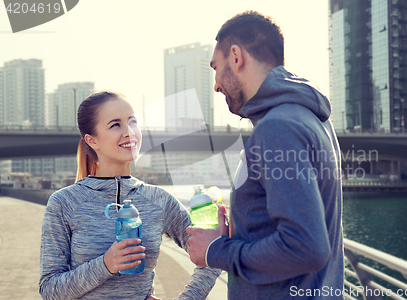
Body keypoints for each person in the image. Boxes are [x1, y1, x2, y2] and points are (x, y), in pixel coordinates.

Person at [186, 11, 344, 300]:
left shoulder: (277, 128)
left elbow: (306, 247)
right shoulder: (312, 119)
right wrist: (239, 231)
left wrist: (216, 250)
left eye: (216, 67)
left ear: (236, 56)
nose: (216, 84)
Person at [39, 90, 220, 300]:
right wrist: (106, 264)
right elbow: (49, 289)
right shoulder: (64, 202)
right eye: (115, 125)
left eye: (132, 122)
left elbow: (212, 253)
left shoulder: (159, 200)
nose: (129, 132)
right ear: (92, 140)